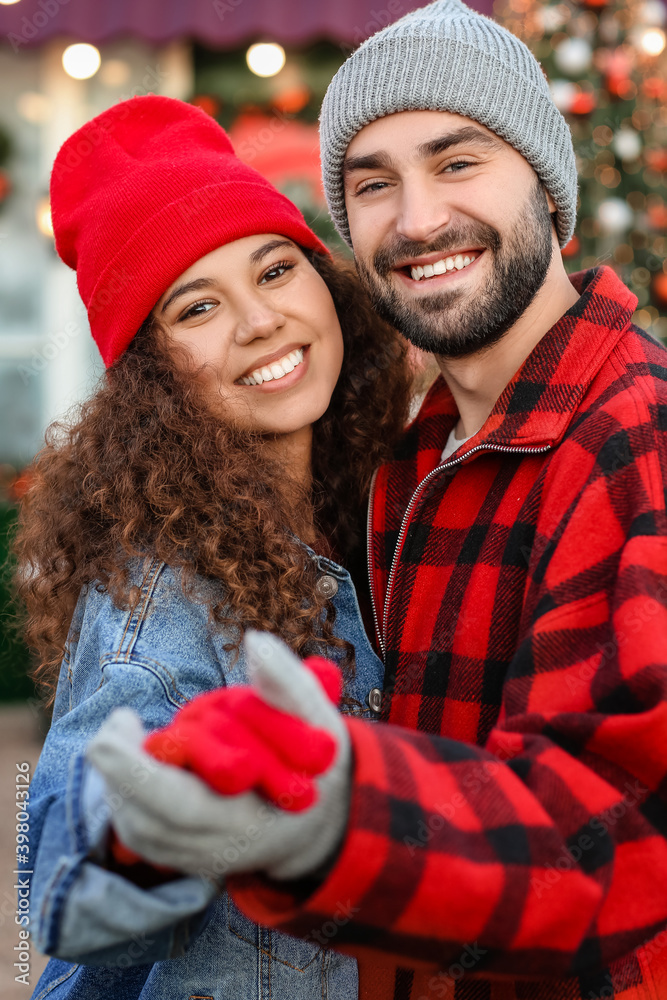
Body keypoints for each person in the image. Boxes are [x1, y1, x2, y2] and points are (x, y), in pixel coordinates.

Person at [84, 2, 667, 1000]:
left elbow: (612, 836)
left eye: (456, 161)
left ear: (546, 182)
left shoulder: (634, 435)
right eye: (371, 184)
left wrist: (336, 819)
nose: (416, 219)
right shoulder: (409, 462)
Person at [15, 94, 413, 999]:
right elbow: (66, 896)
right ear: (149, 378)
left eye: (274, 270)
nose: (261, 320)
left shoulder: (374, 504)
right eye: (197, 307)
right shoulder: (158, 597)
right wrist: (163, 832)